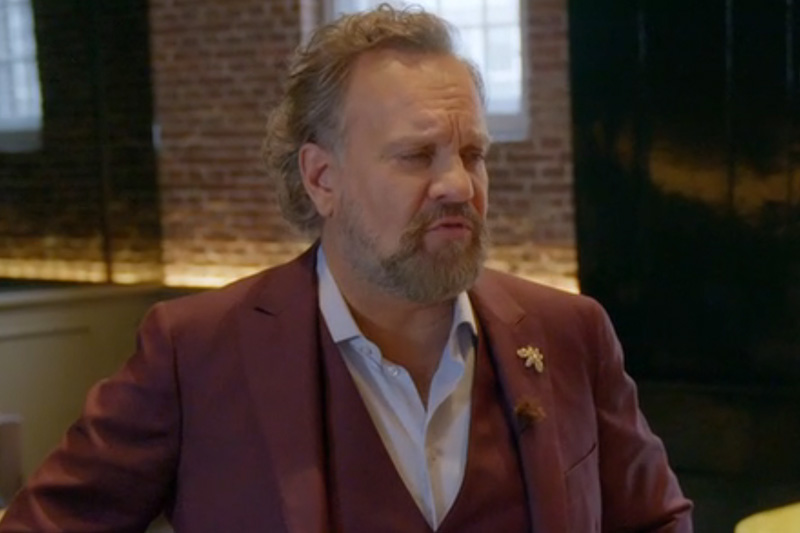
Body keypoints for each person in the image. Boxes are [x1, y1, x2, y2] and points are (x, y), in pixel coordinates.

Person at [0, 5, 692, 532]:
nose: (459, 184)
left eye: (473, 154)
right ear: (321, 178)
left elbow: (655, 522)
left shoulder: (569, 332)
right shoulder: (195, 352)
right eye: (416, 156)